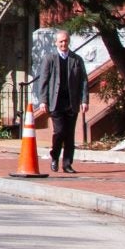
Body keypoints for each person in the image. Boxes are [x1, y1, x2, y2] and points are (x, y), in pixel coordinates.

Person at [31, 33, 88, 174]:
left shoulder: (76, 59)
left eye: (66, 41)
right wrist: (43, 101)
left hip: (71, 102)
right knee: (59, 131)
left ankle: (67, 164)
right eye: (61, 41)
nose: (64, 44)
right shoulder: (49, 59)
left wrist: (84, 100)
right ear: (56, 43)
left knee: (69, 135)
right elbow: (43, 81)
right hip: (55, 103)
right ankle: (55, 156)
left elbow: (84, 81)